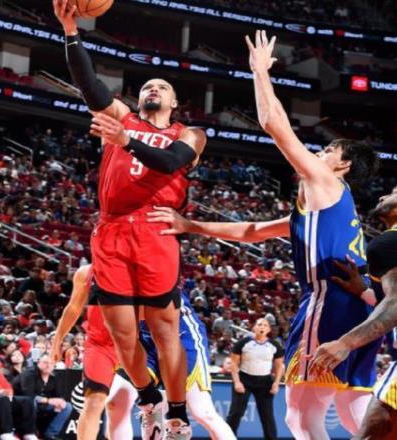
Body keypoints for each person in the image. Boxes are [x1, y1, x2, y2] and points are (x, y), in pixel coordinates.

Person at [148, 30, 380, 439]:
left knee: (301, 418)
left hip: (330, 302)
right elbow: (253, 230)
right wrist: (191, 225)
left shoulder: (326, 182)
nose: (320, 152)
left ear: (342, 166)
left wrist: (259, 72)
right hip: (359, 308)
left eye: (330, 151)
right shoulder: (326, 206)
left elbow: (274, 123)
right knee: (354, 412)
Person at [54, 1, 206, 437]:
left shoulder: (189, 134)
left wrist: (127, 142)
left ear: (174, 102)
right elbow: (88, 84)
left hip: (156, 227)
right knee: (122, 334)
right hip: (112, 230)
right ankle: (150, 398)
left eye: (162, 86)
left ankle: (177, 414)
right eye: (148, 86)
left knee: (163, 329)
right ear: (138, 99)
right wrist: (71, 32)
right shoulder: (122, 118)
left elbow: (171, 162)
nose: (153, 88)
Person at [311, 187, 397, 439]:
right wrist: (365, 292)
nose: (382, 196)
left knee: (372, 431)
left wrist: (345, 343)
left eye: (394, 192)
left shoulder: (389, 242)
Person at [106, 289, 236, 440]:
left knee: (203, 412)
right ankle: (153, 401)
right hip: (144, 337)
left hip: (181, 334)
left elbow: (138, 308)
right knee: (116, 403)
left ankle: (160, 406)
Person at [49, 265, 117, 440]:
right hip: (99, 345)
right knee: (94, 401)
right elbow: (73, 307)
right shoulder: (86, 272)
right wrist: (57, 342)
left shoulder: (140, 267)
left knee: (118, 407)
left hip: (133, 344)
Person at [226, 318, 284, 440]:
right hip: (244, 380)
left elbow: (279, 366)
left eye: (265, 325)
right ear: (254, 328)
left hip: (265, 382)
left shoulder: (274, 345)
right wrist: (237, 382)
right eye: (259, 324)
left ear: (269, 329)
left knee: (267, 415)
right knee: (236, 413)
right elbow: (234, 363)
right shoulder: (243, 343)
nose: (262, 327)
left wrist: (276, 383)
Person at [15, 353, 73, 440]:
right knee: (31, 402)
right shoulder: (29, 374)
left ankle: (50, 434)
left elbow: (59, 395)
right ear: (39, 363)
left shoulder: (54, 377)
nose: (48, 365)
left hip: (43, 404)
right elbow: (27, 394)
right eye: (45, 362)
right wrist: (47, 400)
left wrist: (59, 402)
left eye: (51, 363)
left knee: (67, 406)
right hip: (22, 403)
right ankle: (30, 433)